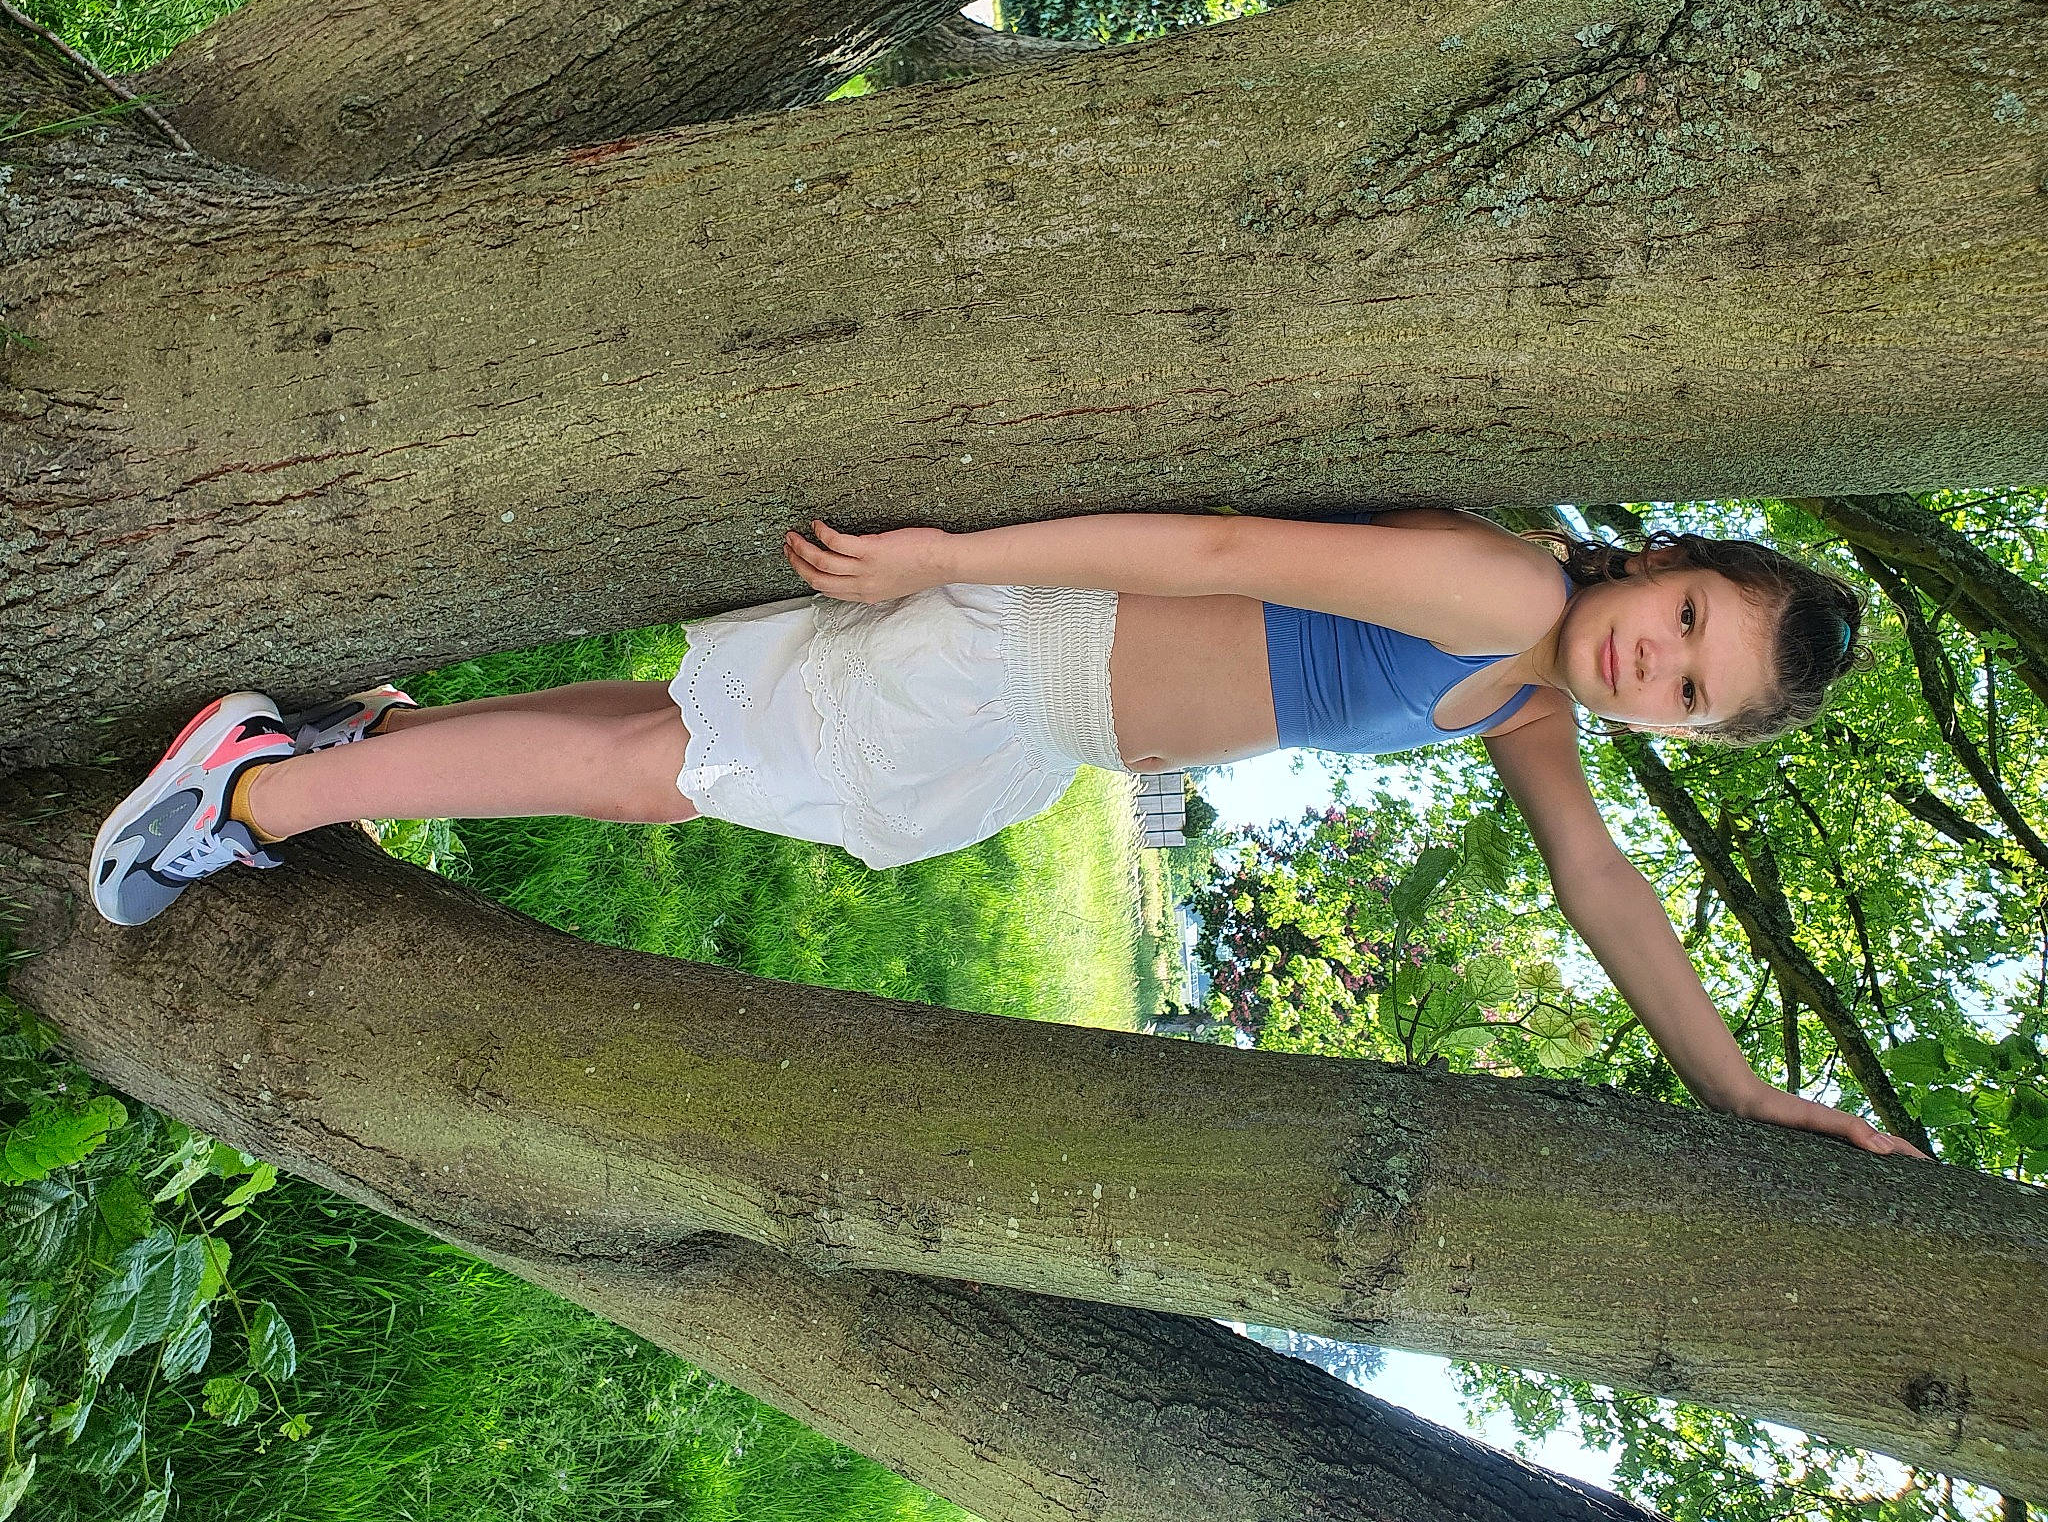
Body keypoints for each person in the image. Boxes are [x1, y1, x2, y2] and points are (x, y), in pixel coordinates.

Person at [88, 508, 1928, 1158]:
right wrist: (952, 564)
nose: (1658, 661)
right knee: (660, 771)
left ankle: (335, 756)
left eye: (1694, 691)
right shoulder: (1495, 585)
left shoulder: (1531, 698)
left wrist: (1740, 1092)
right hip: (1020, 643)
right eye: (1690, 617)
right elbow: (1216, 553)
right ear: (1672, 563)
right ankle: (252, 787)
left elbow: (1599, 885)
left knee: (666, 751)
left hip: (1036, 726)